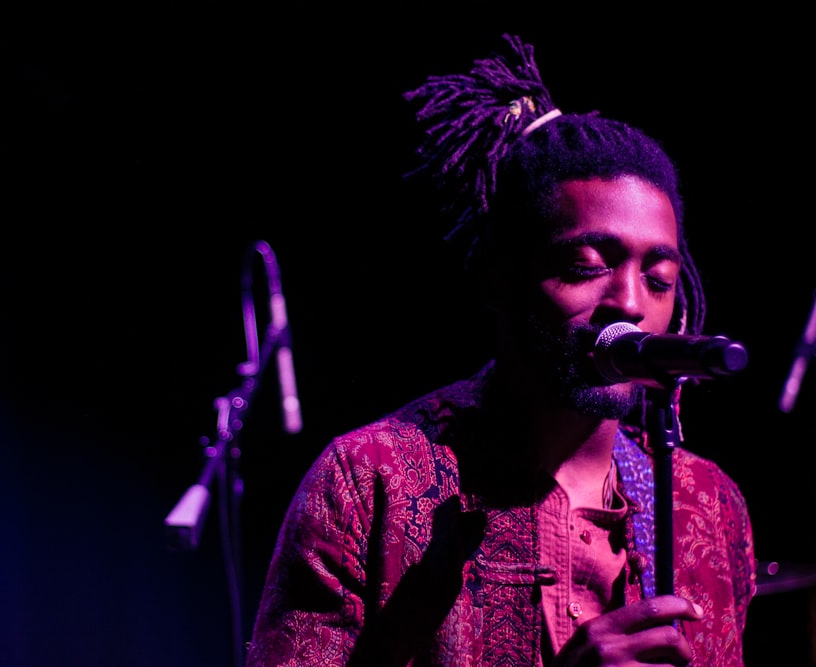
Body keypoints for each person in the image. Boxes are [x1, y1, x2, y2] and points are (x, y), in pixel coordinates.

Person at [245, 34, 756, 666]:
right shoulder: (367, 482)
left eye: (658, 279)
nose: (629, 302)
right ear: (498, 279)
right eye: (585, 265)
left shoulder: (708, 504)